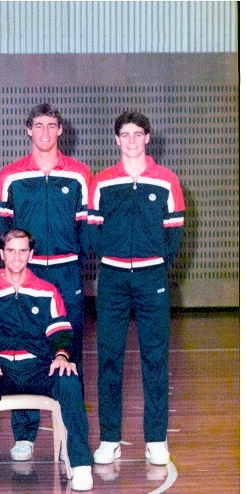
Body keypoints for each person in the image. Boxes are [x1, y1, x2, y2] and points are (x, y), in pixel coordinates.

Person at [0, 228, 93, 492]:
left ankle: (80, 465)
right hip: (0, 367)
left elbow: (60, 331)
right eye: (11, 250)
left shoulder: (47, 290)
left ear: (31, 254)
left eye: (23, 251)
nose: (17, 257)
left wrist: (61, 355)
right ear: (1, 253)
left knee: (69, 379)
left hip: (37, 367)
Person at [0, 103, 92, 461]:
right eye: (39, 126)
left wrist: (73, 260)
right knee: (25, 346)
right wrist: (15, 266)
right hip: (25, 272)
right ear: (28, 130)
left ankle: (73, 438)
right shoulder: (11, 175)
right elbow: (3, 229)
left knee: (71, 352)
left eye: (52, 126)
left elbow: (86, 229)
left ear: (60, 130)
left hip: (66, 273)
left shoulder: (79, 174)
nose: (46, 132)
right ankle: (24, 435)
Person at [89, 111, 184, 466]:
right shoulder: (103, 181)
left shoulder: (167, 180)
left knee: (155, 358)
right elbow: (93, 229)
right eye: (124, 134)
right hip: (113, 279)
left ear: (147, 138)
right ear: (117, 139)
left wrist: (154, 263)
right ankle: (110, 438)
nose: (131, 140)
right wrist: (112, 258)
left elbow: (173, 232)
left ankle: (156, 439)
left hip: (151, 279)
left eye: (137, 134)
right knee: (109, 358)